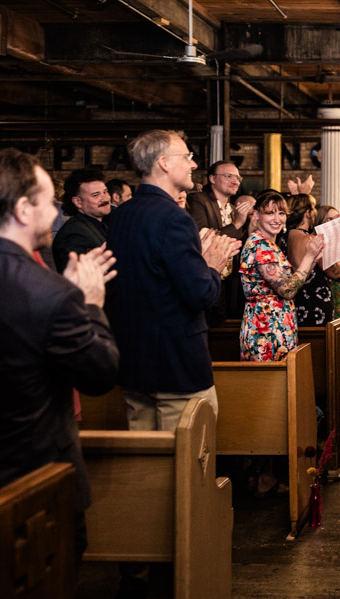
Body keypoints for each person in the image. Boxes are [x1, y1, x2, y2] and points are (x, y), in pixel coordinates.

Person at [0, 149, 119, 559]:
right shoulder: (49, 292)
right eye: (48, 202)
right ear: (22, 210)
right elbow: (100, 374)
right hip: (34, 477)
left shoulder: (45, 288)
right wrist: (89, 304)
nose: (55, 214)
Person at [105, 129, 239, 431]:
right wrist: (212, 265)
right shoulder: (175, 219)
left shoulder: (123, 214)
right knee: (188, 469)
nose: (193, 165)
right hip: (175, 367)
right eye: (187, 157)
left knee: (148, 468)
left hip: (134, 361)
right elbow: (201, 295)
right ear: (164, 163)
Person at [239, 191, 323, 361]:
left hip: (276, 324)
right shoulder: (261, 246)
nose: (277, 219)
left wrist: (312, 261)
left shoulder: (269, 244)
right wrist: (308, 256)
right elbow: (287, 290)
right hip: (266, 329)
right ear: (256, 215)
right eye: (270, 213)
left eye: (281, 213)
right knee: (269, 385)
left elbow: (291, 281)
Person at [186, 161, 255, 322]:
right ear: (212, 178)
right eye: (228, 176)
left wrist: (250, 228)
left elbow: (238, 245)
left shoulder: (232, 208)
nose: (235, 181)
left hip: (228, 282)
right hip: (205, 276)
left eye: (237, 177)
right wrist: (238, 223)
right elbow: (204, 239)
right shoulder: (199, 200)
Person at [285, 194, 334, 327]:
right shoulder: (310, 239)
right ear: (308, 213)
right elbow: (332, 270)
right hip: (314, 297)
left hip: (297, 298)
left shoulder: (285, 236)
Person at [52, 169, 111, 272]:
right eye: (96, 195)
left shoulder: (101, 224)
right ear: (78, 202)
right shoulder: (73, 234)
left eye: (105, 192)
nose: (105, 198)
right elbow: (74, 277)